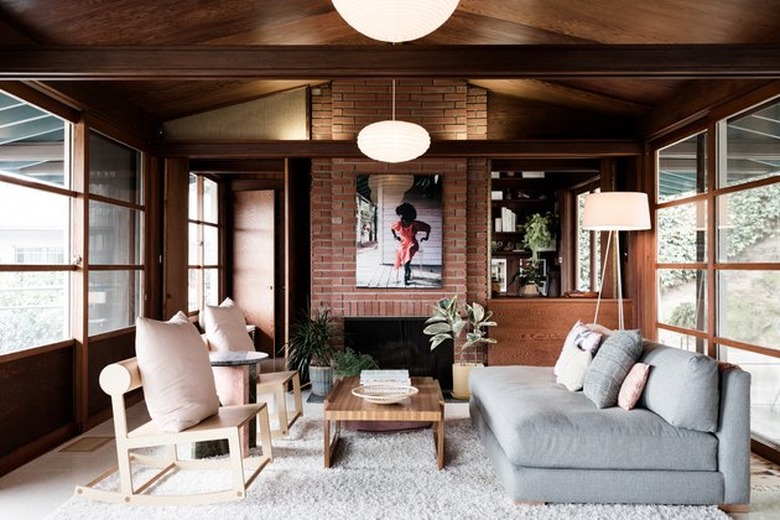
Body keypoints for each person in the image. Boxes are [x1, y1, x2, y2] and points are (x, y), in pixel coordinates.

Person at [391, 202, 431, 285]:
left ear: (407, 214)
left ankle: (406, 276)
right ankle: (407, 270)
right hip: (403, 243)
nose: (400, 217)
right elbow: (392, 228)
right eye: (399, 215)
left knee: (408, 252)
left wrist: (426, 238)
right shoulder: (399, 224)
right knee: (401, 251)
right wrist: (395, 236)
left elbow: (428, 227)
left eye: (401, 214)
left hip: (412, 243)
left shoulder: (415, 224)